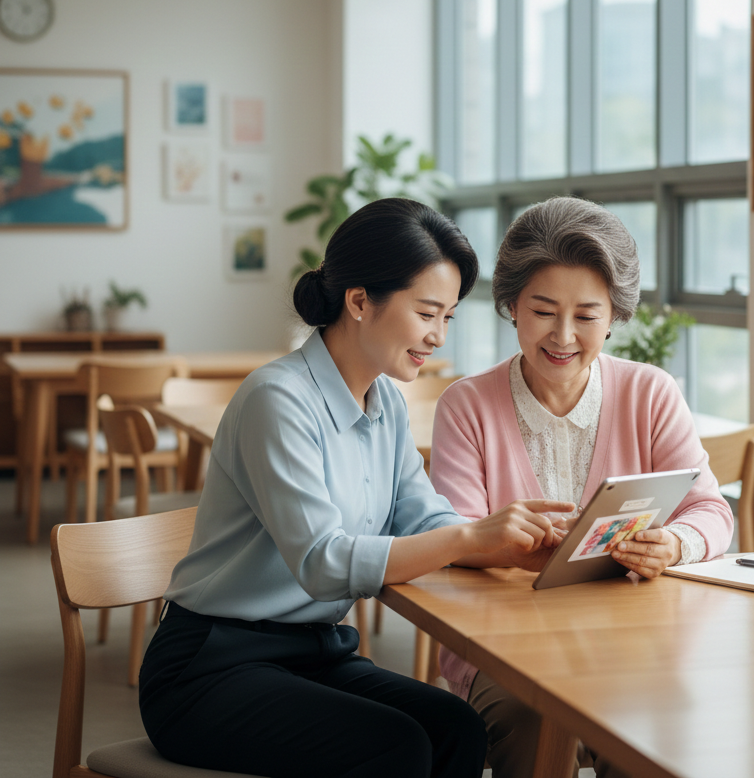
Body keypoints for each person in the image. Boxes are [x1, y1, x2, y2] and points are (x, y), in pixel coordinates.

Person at [138, 198, 573, 778]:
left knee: (457, 729)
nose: (439, 336)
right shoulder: (279, 399)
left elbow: (424, 521)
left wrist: (519, 546)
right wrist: (473, 534)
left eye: (448, 317)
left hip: (314, 650)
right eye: (427, 313)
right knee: (396, 747)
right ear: (360, 301)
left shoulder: (385, 401)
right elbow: (322, 562)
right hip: (210, 666)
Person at [430, 196, 734, 778]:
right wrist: (520, 549)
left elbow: (710, 510)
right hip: (504, 647)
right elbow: (451, 536)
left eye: (587, 316)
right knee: (530, 719)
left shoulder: (651, 392)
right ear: (511, 306)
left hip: (635, 639)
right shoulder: (466, 406)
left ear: (614, 316)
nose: (563, 336)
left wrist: (673, 545)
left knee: (656, 724)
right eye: (543, 311)